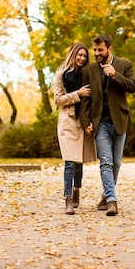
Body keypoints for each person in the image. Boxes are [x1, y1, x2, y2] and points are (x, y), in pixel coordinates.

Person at [80, 34, 135, 216]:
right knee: (106, 162)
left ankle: (106, 194)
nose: (97, 53)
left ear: (109, 49)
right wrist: (85, 122)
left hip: (120, 120)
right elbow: (85, 100)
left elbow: (133, 86)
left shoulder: (124, 65)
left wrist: (115, 75)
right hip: (100, 123)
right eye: (95, 50)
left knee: (116, 163)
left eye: (100, 50)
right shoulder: (89, 70)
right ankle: (112, 201)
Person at [53, 42, 96, 215]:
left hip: (83, 122)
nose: (82, 58)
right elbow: (58, 100)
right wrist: (78, 93)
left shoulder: (88, 76)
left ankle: (77, 189)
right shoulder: (60, 75)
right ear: (73, 55)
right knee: (70, 161)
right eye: (79, 55)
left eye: (84, 56)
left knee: (79, 162)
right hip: (68, 121)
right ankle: (68, 199)